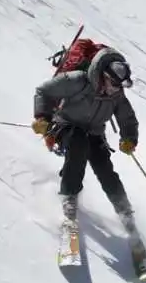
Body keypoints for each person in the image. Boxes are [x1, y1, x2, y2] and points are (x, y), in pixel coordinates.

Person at [31, 47, 139, 230]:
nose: (116, 90)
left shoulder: (116, 95)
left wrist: (129, 138)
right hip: (66, 126)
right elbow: (43, 91)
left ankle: (125, 212)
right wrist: (43, 118)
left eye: (119, 86)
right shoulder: (78, 81)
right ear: (104, 76)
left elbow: (127, 119)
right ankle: (69, 196)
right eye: (114, 84)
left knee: (105, 169)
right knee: (78, 143)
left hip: (95, 132)